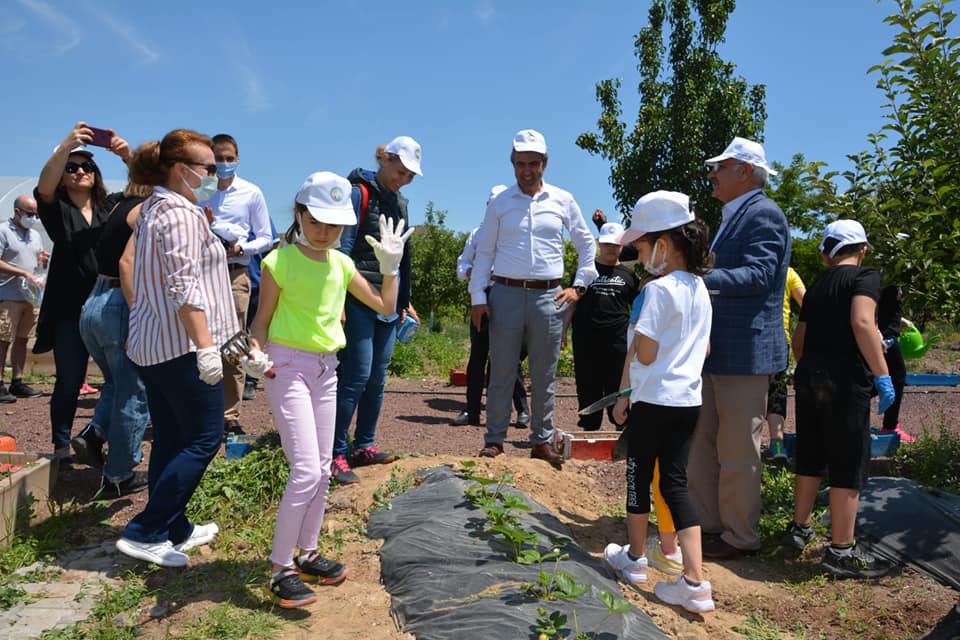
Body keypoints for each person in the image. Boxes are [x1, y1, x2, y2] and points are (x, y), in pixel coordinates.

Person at [249, 171, 413, 608]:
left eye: (335, 225)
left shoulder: (341, 264)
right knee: (305, 470)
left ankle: (308, 552)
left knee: (322, 469)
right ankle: (280, 567)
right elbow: (261, 322)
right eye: (317, 221)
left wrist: (391, 269)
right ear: (300, 214)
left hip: (327, 370)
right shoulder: (277, 262)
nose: (326, 232)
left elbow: (385, 307)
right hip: (286, 368)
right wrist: (253, 353)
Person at [116, 129, 238, 568]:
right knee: (205, 438)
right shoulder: (180, 215)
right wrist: (207, 347)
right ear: (180, 169)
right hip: (182, 346)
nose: (215, 173)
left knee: (171, 436)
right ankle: (146, 530)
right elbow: (184, 286)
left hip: (155, 344)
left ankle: (174, 526)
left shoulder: (156, 208)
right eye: (208, 167)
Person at [603, 191, 715, 613]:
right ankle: (695, 582)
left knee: (638, 475)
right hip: (687, 401)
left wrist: (626, 386)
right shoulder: (701, 289)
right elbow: (703, 352)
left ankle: (633, 560)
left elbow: (645, 355)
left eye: (644, 246)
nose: (641, 254)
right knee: (675, 483)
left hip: (651, 402)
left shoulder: (657, 292)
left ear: (664, 246)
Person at [688, 136, 791, 559]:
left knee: (736, 451)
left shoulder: (764, 215)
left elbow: (759, 276)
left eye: (720, 167)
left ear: (745, 171)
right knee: (704, 445)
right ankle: (710, 525)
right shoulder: (736, 215)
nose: (712, 175)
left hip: (744, 355)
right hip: (719, 351)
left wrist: (698, 279)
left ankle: (740, 538)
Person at [469, 129, 597, 467]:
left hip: (549, 297)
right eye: (520, 164)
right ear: (512, 165)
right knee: (501, 370)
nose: (526, 170)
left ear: (545, 164)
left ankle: (541, 440)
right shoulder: (500, 203)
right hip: (505, 294)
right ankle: (494, 440)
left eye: (533, 163)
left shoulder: (563, 200)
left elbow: (586, 244)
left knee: (545, 373)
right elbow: (485, 252)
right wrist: (477, 297)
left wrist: (579, 286)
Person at [780, 220, 895, 578]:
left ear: (828, 253)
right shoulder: (865, 278)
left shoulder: (816, 285)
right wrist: (883, 375)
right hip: (845, 380)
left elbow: (799, 341)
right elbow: (862, 322)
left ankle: (799, 529)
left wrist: (815, 370)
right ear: (861, 250)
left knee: (811, 453)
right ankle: (842, 549)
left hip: (811, 375)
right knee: (848, 458)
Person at [34, 123, 130, 463]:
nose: (79, 172)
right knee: (70, 380)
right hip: (68, 308)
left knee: (120, 380)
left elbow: (146, 187)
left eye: (87, 166)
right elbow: (43, 188)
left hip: (110, 305)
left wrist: (125, 154)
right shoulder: (57, 210)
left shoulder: (111, 207)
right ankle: (62, 446)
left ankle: (102, 441)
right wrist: (64, 147)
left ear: (96, 173)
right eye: (72, 168)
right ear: (63, 176)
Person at [332, 136, 422, 484]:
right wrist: (338, 299)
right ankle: (336, 453)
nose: (404, 178)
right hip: (358, 298)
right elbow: (344, 248)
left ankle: (364, 445)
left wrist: (404, 299)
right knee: (355, 375)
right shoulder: (358, 193)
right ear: (385, 159)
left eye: (410, 175)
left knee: (377, 379)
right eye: (401, 171)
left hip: (388, 301)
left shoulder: (399, 201)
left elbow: (404, 257)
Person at [70, 146, 153, 497]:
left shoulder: (117, 205)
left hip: (95, 302)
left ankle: (93, 435)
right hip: (122, 302)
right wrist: (140, 314)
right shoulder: (147, 210)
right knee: (135, 393)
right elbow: (130, 264)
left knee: (116, 386)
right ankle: (119, 476)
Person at [202, 134, 274, 434]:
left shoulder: (251, 193)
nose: (224, 164)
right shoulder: (199, 191)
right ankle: (200, 412)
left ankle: (229, 415)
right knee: (199, 343)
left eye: (229, 158)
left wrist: (242, 247)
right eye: (218, 158)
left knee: (233, 344)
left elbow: (266, 237)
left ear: (238, 158)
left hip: (235, 274)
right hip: (202, 273)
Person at [451, 185, 529, 428]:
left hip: (509, 297)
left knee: (508, 357)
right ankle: (472, 411)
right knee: (478, 357)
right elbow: (461, 266)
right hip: (482, 296)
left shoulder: (518, 235)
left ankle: (522, 410)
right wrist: (473, 272)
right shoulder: (477, 234)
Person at [566, 221, 639, 430]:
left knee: (618, 384)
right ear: (600, 244)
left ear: (622, 247)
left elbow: (639, 308)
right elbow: (573, 302)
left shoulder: (629, 276)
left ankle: (621, 427)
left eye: (615, 245)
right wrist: (562, 330)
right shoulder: (586, 272)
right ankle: (589, 427)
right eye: (607, 244)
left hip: (618, 341)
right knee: (588, 385)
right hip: (587, 339)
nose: (611, 248)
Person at [0, 195, 47, 403]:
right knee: (3, 340)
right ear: (17, 211)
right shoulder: (3, 231)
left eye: (36, 214)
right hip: (7, 295)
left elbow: (37, 264)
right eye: (30, 213)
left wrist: (42, 262)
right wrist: (22, 273)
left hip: (29, 296)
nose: (33, 218)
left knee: (22, 339)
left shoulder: (35, 235)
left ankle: (17, 381)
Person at [766, 266, 806, 460]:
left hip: (750, 340)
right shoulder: (788, 272)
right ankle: (777, 445)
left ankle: (747, 446)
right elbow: (807, 303)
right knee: (777, 394)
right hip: (779, 340)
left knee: (749, 393)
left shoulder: (745, 267)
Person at [243, 220, 280, 402]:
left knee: (255, 331)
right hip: (230, 283)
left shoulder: (259, 216)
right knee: (236, 336)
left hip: (258, 283)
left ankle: (250, 379)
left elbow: (274, 244)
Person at [876, 284, 916, 442]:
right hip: (886, 342)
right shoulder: (883, 297)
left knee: (884, 379)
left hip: (885, 340)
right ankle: (890, 426)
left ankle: (890, 424)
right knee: (897, 379)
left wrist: (903, 320)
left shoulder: (888, 303)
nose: (901, 293)